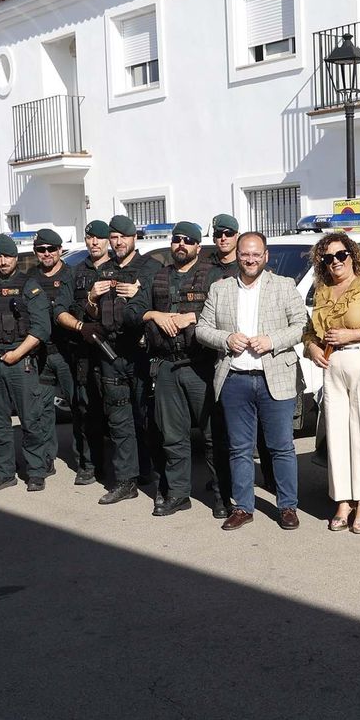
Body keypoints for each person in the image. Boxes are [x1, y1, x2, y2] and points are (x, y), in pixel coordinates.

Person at [195, 231, 306, 530]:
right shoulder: (220, 289)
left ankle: (287, 506)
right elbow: (202, 329)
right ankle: (243, 507)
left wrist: (272, 340)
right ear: (237, 255)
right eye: (245, 254)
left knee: (281, 447)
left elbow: (301, 326)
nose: (251, 259)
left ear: (266, 256)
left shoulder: (284, 285)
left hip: (276, 377)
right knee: (239, 448)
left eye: (257, 254)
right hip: (235, 379)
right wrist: (226, 338)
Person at [133, 220, 230, 516]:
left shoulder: (213, 276)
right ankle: (177, 494)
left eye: (188, 241)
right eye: (177, 240)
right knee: (172, 436)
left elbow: (227, 313)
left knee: (214, 436)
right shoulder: (157, 276)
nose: (181, 245)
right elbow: (132, 312)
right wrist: (155, 315)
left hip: (202, 366)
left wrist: (193, 317)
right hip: (166, 366)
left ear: (198, 247)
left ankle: (222, 495)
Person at [302, 231, 360, 534]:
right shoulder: (322, 291)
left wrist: (351, 334)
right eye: (328, 258)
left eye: (341, 255)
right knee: (337, 435)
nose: (335, 262)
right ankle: (343, 501)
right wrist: (312, 348)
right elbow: (310, 330)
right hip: (331, 365)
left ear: (353, 256)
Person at [0, 233, 54, 492]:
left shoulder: (29, 285)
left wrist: (18, 353)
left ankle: (36, 471)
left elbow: (41, 328)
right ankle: (4, 473)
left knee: (31, 420)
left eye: (7, 256)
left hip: (20, 362)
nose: (2, 261)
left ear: (16, 257)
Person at [84, 214, 159, 505]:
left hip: (140, 352)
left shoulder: (151, 268)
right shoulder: (104, 270)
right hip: (111, 354)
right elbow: (93, 314)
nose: (118, 242)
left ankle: (149, 472)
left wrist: (141, 294)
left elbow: (161, 306)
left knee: (147, 417)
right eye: (113, 237)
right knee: (118, 419)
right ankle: (126, 481)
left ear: (134, 238)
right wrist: (91, 298)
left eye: (123, 237)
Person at [54, 220, 110, 486]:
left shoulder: (119, 269)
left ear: (108, 240)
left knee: (121, 412)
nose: (94, 242)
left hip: (115, 353)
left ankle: (131, 469)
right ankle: (88, 465)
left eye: (99, 237)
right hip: (85, 352)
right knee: (86, 411)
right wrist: (80, 326)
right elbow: (59, 311)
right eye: (90, 238)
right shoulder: (74, 273)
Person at [28, 227, 73, 476]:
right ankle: (46, 459)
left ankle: (86, 462)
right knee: (42, 410)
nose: (46, 253)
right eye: (41, 249)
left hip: (68, 353)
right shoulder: (29, 278)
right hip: (40, 354)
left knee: (79, 407)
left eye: (51, 249)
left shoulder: (72, 275)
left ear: (60, 250)